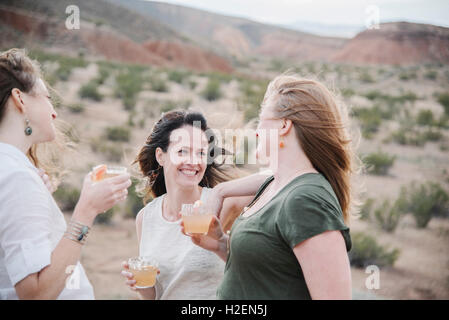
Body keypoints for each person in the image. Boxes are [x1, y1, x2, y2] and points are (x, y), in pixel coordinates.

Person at [183, 74, 359, 299]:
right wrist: (219, 244)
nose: (256, 131)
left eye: (261, 119)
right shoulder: (274, 185)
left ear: (284, 125)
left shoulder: (306, 200)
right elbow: (268, 269)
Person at [0, 48, 132, 300]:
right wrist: (86, 211)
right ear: (20, 99)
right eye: (46, 97)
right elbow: (35, 294)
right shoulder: (16, 177)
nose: (54, 111)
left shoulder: (14, 171)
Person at [121, 110, 251, 299]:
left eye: (201, 153)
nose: (193, 161)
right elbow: (156, 295)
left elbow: (275, 179)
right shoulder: (146, 217)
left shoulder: (222, 202)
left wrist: (221, 191)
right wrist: (142, 288)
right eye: (182, 151)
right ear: (161, 156)